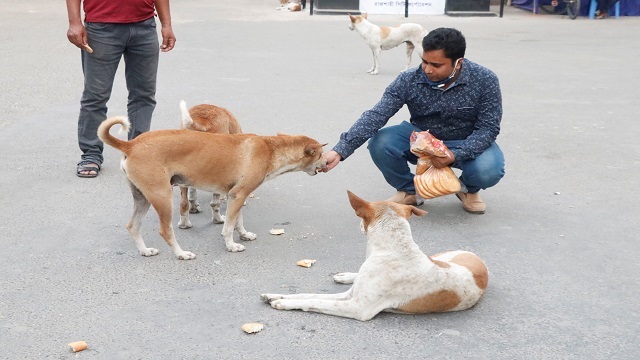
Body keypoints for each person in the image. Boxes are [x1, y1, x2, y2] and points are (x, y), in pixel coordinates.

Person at [322, 28, 505, 214]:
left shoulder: (485, 80)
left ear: (458, 63)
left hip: (465, 140)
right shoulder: (409, 79)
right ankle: (409, 191)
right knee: (381, 142)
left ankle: (468, 190)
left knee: (489, 169)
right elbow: (376, 115)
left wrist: (456, 154)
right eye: (424, 61)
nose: (427, 69)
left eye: (436, 64)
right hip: (422, 141)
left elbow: (488, 128)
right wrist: (340, 150)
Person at [66, 0, 176, 178]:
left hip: (144, 26)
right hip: (101, 28)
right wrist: (75, 22)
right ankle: (91, 154)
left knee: (144, 95)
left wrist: (166, 25)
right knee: (96, 96)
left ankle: (138, 152)